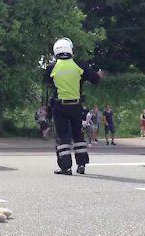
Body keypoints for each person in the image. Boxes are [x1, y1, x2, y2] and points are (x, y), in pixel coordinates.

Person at [44, 37, 100, 175]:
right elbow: (96, 79)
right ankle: (81, 165)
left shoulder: (52, 68)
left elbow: (47, 80)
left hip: (60, 107)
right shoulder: (80, 65)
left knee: (62, 138)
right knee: (78, 136)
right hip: (76, 106)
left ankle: (65, 167)